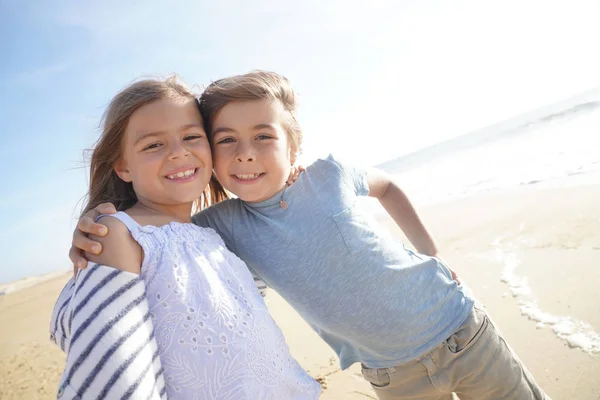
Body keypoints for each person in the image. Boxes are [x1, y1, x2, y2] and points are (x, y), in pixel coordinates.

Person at [71, 71, 549, 399]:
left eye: (263, 136)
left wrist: (431, 251)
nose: (245, 153)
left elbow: (387, 185)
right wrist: (99, 226)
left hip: (458, 328)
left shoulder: (328, 175)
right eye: (226, 140)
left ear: (292, 144)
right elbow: (160, 246)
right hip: (390, 373)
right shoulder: (218, 228)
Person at [50, 76, 321, 399]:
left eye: (192, 136)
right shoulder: (122, 235)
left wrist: (284, 185)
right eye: (153, 144)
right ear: (123, 167)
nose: (179, 153)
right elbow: (114, 373)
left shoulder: (212, 235)